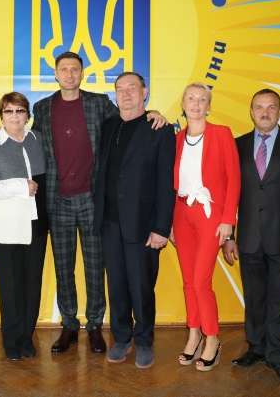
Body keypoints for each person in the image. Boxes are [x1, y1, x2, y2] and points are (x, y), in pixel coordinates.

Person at [32, 51, 166, 354]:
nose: (69, 74)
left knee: (96, 267)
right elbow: (29, 144)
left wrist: (154, 113)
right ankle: (69, 324)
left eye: (75, 69)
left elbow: (130, 118)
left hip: (93, 200)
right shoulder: (42, 108)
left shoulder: (99, 104)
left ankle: (94, 325)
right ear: (56, 74)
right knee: (63, 268)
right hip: (57, 200)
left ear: (82, 74)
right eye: (64, 69)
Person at [222, 89, 280, 381]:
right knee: (254, 298)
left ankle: (277, 356)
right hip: (248, 238)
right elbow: (229, 194)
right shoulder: (236, 145)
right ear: (251, 112)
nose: (265, 112)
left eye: (271, 107)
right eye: (259, 107)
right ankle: (256, 348)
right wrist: (229, 236)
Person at [93, 72, 175, 369]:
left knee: (141, 287)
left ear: (145, 92)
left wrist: (161, 228)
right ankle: (121, 338)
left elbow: (166, 183)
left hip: (143, 226)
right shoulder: (108, 126)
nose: (126, 94)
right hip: (109, 223)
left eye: (132, 88)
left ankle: (143, 341)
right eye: (120, 89)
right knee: (116, 285)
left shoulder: (159, 129)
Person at [0, 92, 48, 361]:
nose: (15, 116)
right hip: (4, 229)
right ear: (2, 116)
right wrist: (18, 186)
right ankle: (11, 340)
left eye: (20, 111)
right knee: (10, 287)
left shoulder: (37, 140)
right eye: (9, 111)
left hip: (36, 227)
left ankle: (27, 338)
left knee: (32, 285)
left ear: (28, 115)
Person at [170, 83, 240, 372]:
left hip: (211, 213)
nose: (196, 104)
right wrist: (169, 223)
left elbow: (234, 178)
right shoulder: (177, 138)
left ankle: (212, 337)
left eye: (202, 99)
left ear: (208, 106)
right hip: (181, 213)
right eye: (191, 98)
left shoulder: (221, 134)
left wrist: (228, 220)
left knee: (201, 281)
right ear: (183, 104)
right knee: (188, 281)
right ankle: (194, 333)